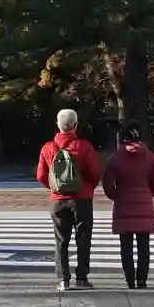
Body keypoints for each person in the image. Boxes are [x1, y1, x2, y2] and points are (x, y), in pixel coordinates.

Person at [36, 109, 101, 289]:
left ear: (58, 124)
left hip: (58, 200)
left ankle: (63, 279)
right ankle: (82, 278)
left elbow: (41, 175)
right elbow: (95, 173)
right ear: (75, 125)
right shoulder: (84, 146)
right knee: (83, 239)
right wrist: (88, 187)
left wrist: (55, 188)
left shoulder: (48, 148)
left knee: (61, 240)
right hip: (81, 199)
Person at [102, 122, 154, 288]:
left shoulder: (115, 158)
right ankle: (142, 279)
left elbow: (107, 183)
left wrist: (116, 195)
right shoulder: (149, 157)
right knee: (144, 245)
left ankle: (130, 279)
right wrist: (148, 193)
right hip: (144, 204)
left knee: (126, 246)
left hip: (123, 204)